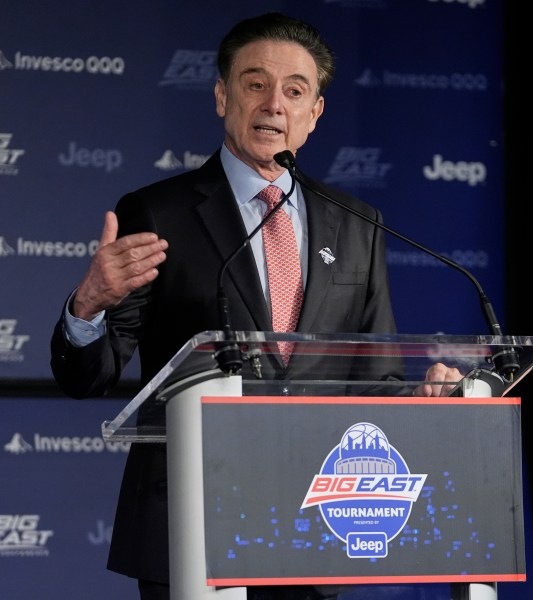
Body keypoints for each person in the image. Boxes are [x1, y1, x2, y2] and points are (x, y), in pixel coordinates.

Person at [51, 12, 460, 600]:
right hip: (191, 525)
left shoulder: (355, 224)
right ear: (222, 96)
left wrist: (421, 400)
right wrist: (88, 305)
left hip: (316, 527)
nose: (274, 104)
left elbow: (376, 380)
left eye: (295, 91)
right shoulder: (159, 214)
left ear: (315, 114)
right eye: (254, 84)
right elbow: (91, 375)